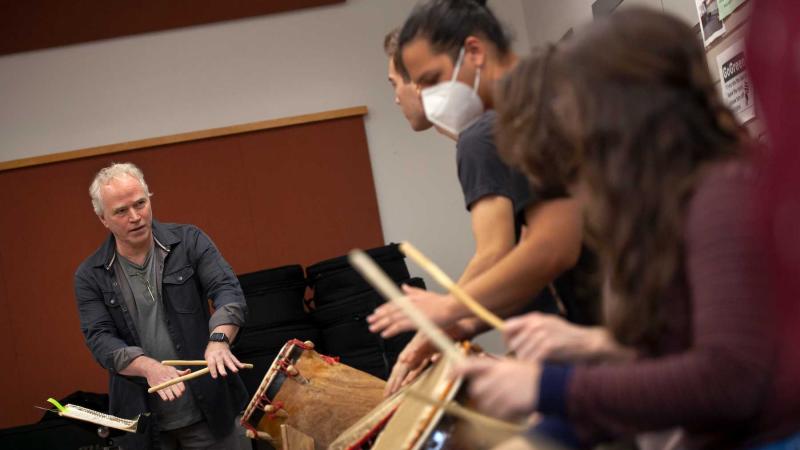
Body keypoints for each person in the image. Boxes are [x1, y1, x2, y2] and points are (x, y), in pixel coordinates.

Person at [452, 8, 800, 448]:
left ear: (624, 124)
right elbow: (670, 361)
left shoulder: (721, 197)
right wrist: (553, 427)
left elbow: (728, 378)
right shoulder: (671, 209)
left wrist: (548, 388)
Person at [369, 0, 597, 395]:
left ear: (474, 53)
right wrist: (458, 325)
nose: (415, 95)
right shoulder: (521, 115)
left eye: (429, 78)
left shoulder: (495, 129)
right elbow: (541, 247)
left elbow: (527, 251)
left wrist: (445, 315)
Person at [74, 162, 248, 449]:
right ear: (102, 218)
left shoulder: (189, 241)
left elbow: (227, 290)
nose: (135, 217)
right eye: (121, 211)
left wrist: (219, 340)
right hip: (146, 427)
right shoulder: (90, 275)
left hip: (213, 413)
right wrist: (148, 367)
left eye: (140, 203)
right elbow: (100, 339)